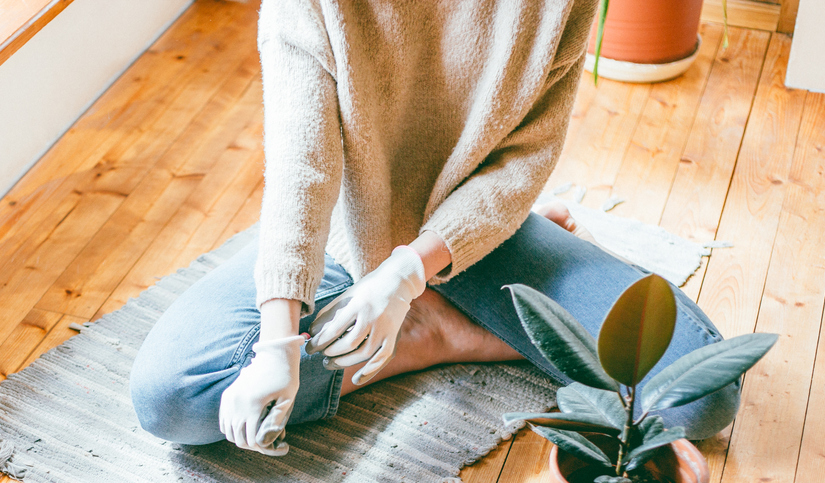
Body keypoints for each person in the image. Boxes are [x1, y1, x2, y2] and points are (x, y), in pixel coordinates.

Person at [130, 0, 738, 456]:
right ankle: (437, 331)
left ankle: (438, 320)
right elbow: (302, 165)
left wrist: (407, 271)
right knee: (170, 398)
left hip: (474, 231)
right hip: (345, 223)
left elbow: (522, 159)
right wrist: (279, 343)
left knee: (695, 395)